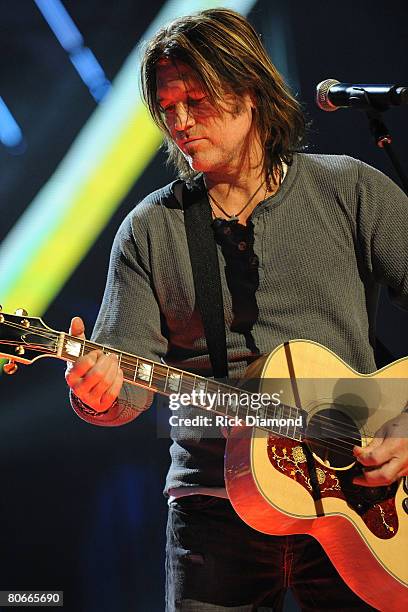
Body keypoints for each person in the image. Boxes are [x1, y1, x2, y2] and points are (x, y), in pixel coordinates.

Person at [66, 8, 408, 611]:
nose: (180, 121)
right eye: (167, 108)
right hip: (213, 510)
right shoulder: (150, 230)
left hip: (360, 491)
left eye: (195, 100)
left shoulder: (349, 190)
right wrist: (98, 393)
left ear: (250, 90)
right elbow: (129, 389)